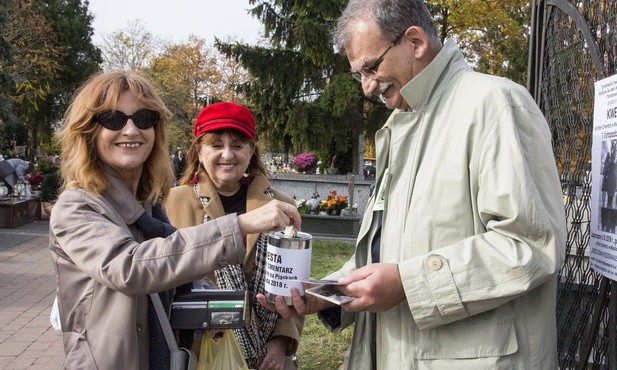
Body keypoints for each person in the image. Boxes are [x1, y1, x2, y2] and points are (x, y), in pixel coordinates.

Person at [257, 0, 567, 369]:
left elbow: (530, 243)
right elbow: (388, 252)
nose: (367, 87)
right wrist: (329, 293)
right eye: (359, 74)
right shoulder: (402, 125)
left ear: (415, 41)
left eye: (371, 68)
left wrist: (408, 283)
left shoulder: (495, 105)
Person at [49, 70, 300, 370]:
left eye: (143, 119)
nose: (130, 131)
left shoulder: (150, 206)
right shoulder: (78, 206)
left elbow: (177, 285)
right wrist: (241, 225)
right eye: (113, 119)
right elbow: (131, 266)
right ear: (89, 132)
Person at [164, 102, 302, 370]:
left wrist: (281, 342)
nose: (227, 154)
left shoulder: (282, 207)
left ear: (251, 152)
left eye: (238, 145)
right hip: (198, 351)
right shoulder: (171, 203)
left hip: (268, 357)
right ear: (199, 152)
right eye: (216, 145)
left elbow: (292, 283)